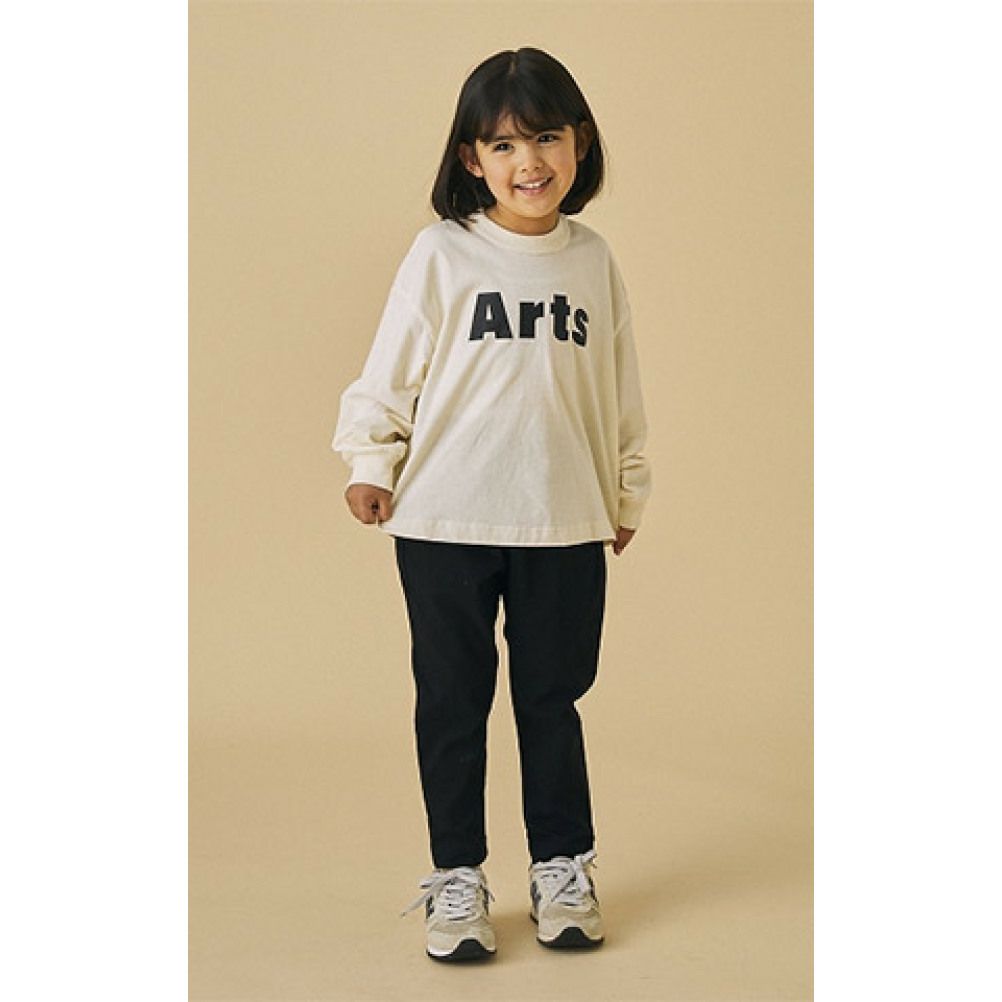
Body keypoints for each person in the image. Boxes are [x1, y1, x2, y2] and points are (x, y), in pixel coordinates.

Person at [331, 46, 652, 963]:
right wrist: (370, 459)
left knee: (553, 700)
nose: (529, 163)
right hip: (445, 520)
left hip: (563, 520)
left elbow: (619, 387)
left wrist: (625, 488)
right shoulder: (442, 254)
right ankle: (457, 877)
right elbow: (390, 369)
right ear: (472, 159)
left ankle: (561, 868)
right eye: (504, 145)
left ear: (579, 143)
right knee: (452, 701)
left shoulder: (592, 261)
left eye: (546, 139)